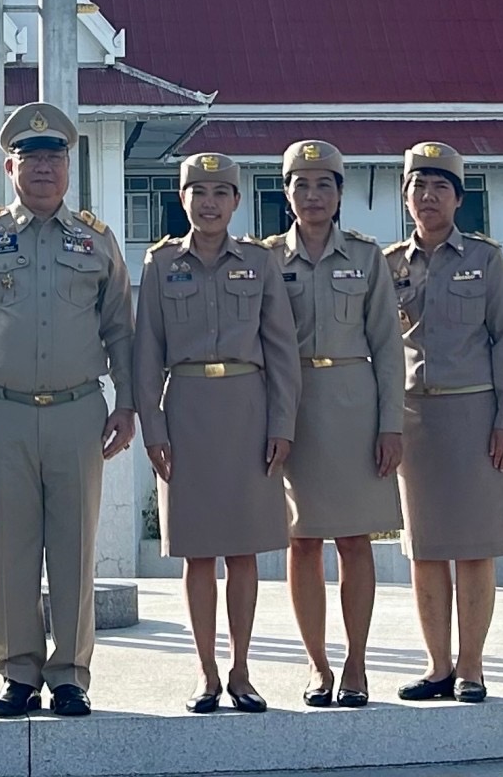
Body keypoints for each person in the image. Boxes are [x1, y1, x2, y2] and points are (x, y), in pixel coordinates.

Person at [0, 101, 136, 719]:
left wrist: (127, 402)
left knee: (75, 548)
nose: (44, 168)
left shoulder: (96, 239)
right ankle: (18, 672)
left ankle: (72, 672)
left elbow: (121, 332)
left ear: (68, 166)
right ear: (10, 166)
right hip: (2, 411)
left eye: (54, 156)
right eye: (32, 157)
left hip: (79, 411)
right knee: (13, 548)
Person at [134, 152, 298, 714]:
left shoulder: (259, 261)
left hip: (248, 411)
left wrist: (283, 424)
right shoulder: (159, 264)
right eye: (197, 193)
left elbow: (282, 351)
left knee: (243, 551)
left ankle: (243, 670)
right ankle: (205, 673)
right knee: (197, 554)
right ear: (182, 200)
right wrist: (152, 427)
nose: (208, 203)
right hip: (186, 413)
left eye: (219, 193)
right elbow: (146, 352)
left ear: (235, 201)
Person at [262, 139, 403, 709]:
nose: (313, 194)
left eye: (325, 184)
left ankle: (356, 664)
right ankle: (317, 664)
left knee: (354, 539)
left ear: (340, 193)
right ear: (287, 192)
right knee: (300, 541)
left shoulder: (368, 258)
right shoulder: (267, 257)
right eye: (302, 184)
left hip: (353, 402)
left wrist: (390, 424)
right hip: (289, 406)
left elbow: (389, 347)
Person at [385, 141, 503, 706]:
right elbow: (379, 348)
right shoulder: (388, 264)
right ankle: (437, 666)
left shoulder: (486, 260)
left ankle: (472, 668)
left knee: (474, 548)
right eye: (419, 186)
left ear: (458, 198)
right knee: (425, 548)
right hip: (415, 417)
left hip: (475, 415)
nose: (428, 196)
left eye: (440, 187)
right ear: (405, 197)